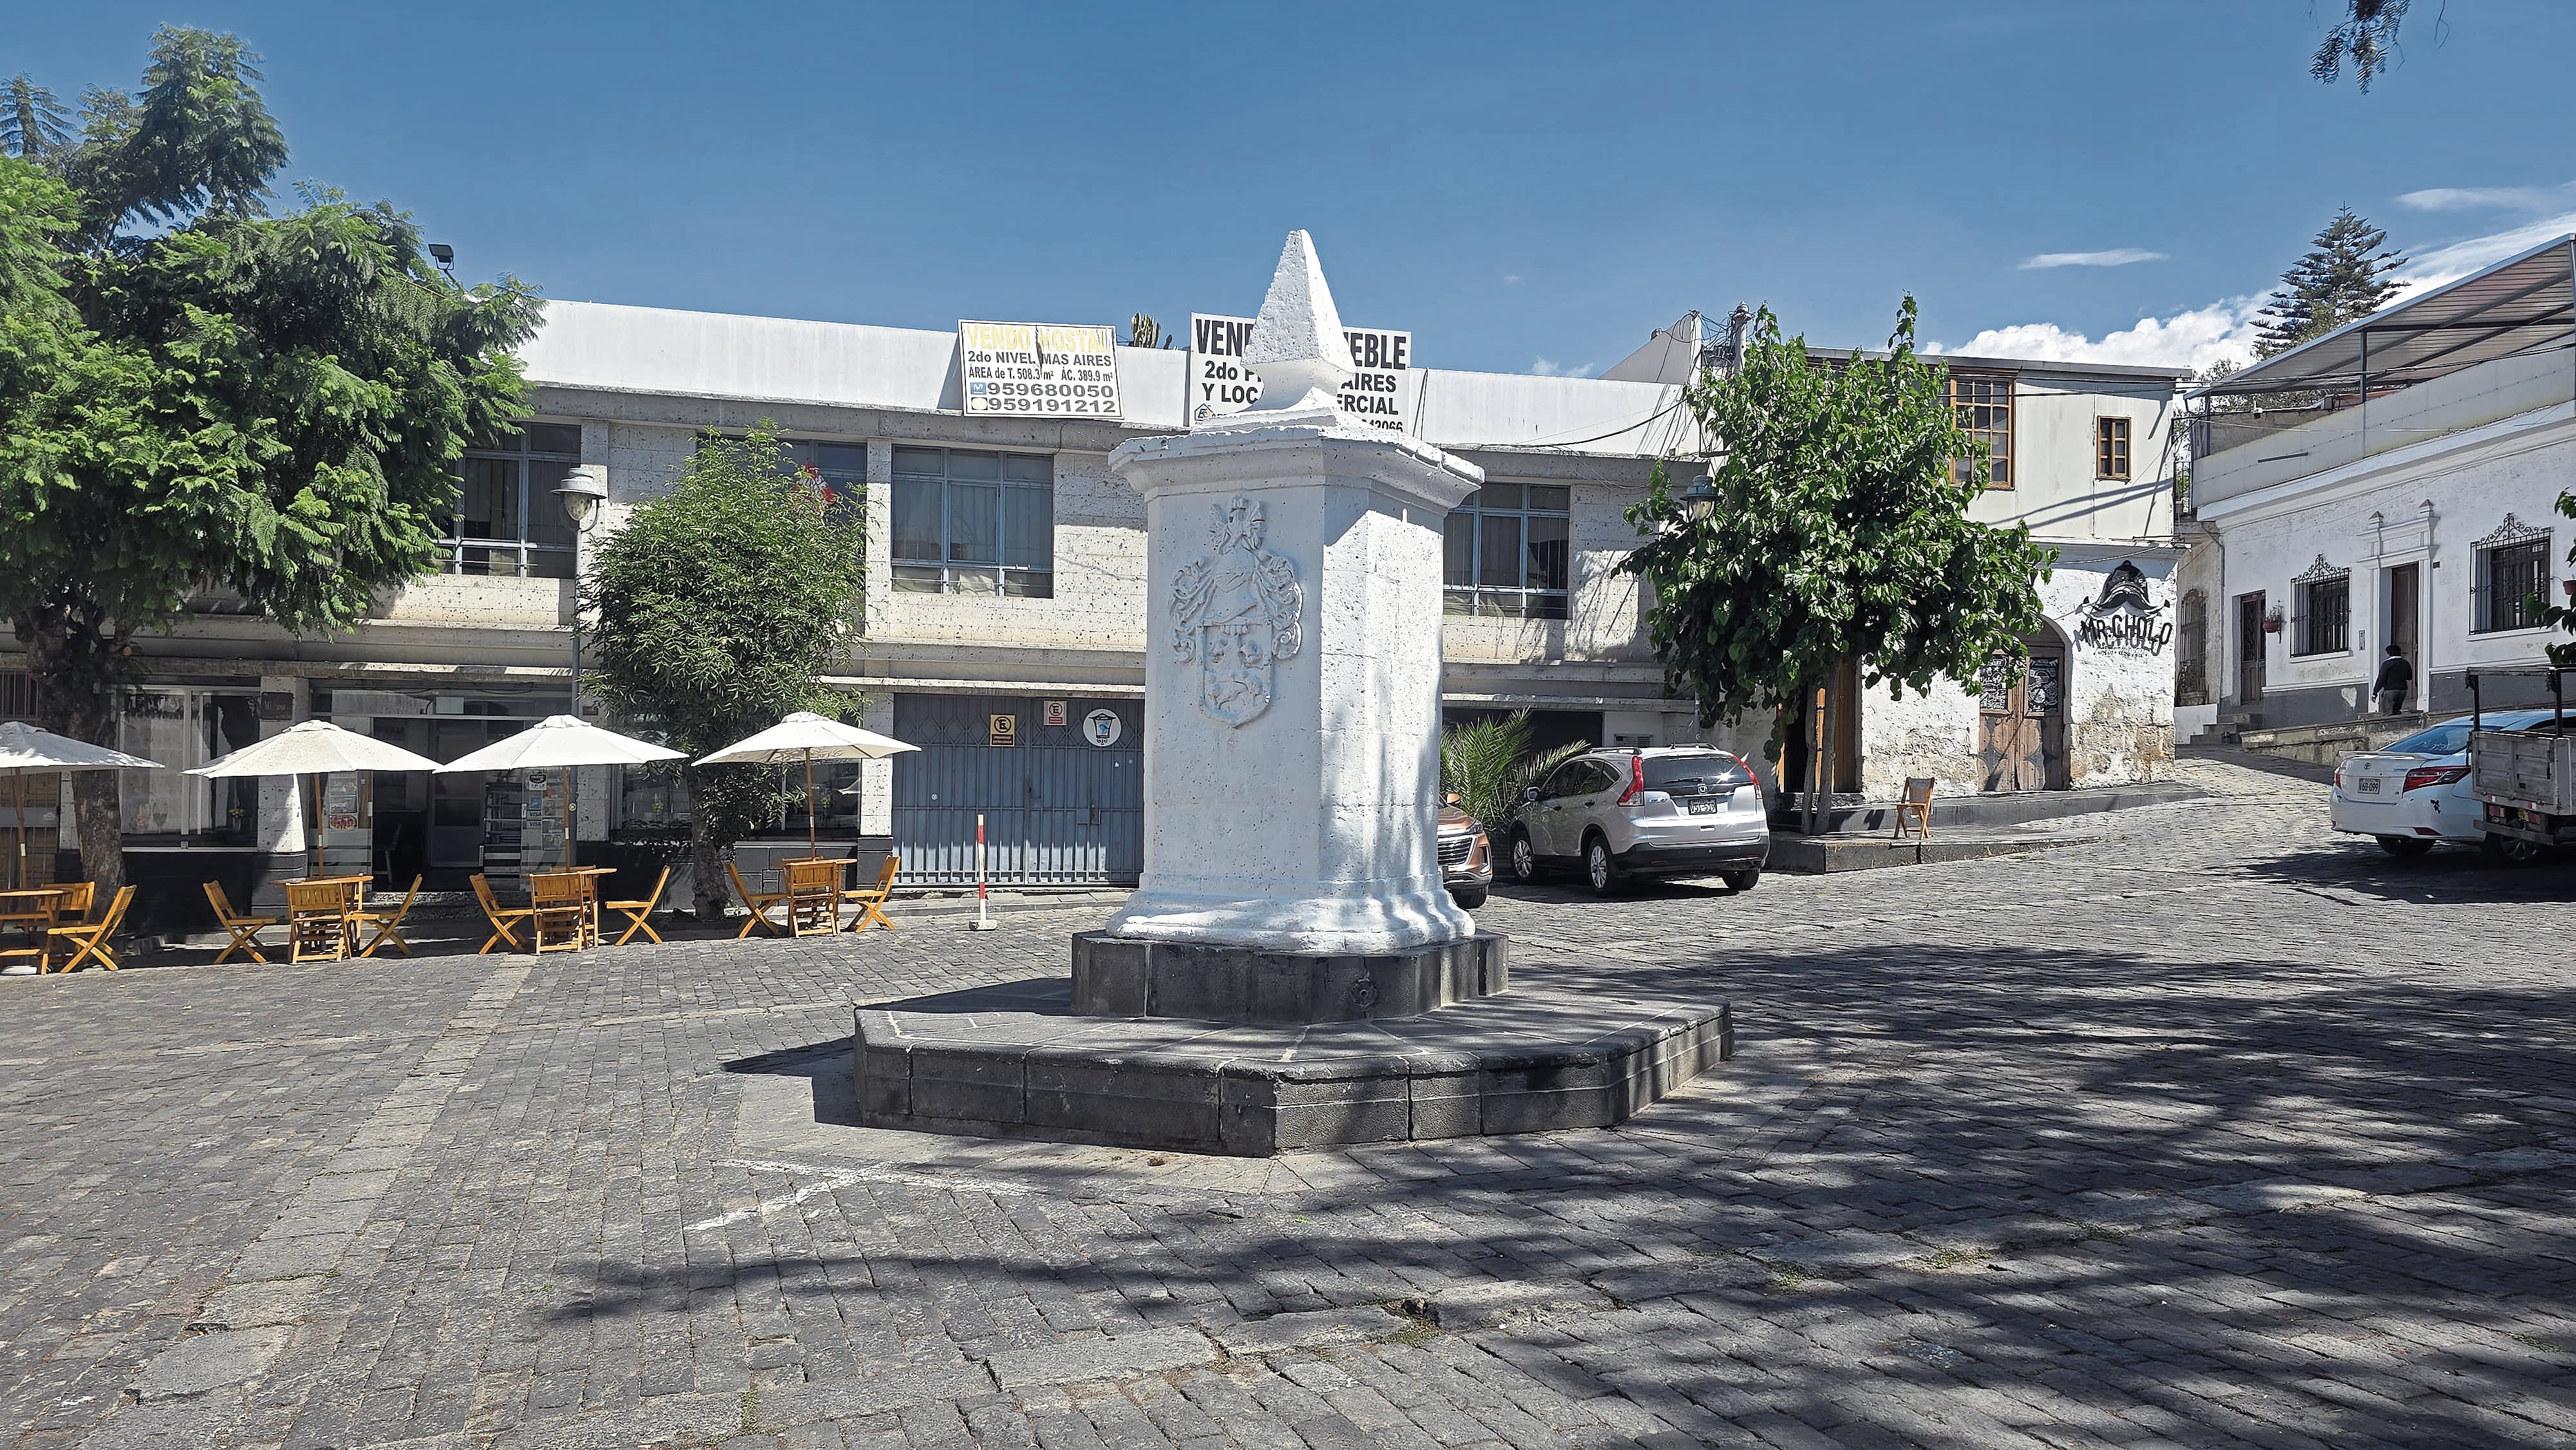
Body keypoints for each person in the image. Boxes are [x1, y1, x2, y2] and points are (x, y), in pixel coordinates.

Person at [2373, 644, 2414, 716]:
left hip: (2390, 690)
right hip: (2403, 690)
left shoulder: (2387, 664)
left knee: (2387, 713)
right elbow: (2409, 677)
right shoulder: (2406, 663)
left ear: (2389, 654)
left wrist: (2375, 692)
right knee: (2396, 712)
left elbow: (2381, 679)